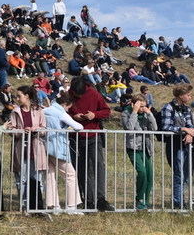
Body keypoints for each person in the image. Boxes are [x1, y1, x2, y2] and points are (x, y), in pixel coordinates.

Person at [68, 76, 115, 211]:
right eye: (77, 94)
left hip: (93, 135)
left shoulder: (94, 94)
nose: (79, 96)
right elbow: (61, 112)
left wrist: (94, 115)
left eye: (81, 94)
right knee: (81, 169)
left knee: (98, 166)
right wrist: (73, 117)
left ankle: (101, 199)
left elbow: (106, 111)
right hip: (75, 137)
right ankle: (87, 199)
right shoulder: (68, 95)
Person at [43, 92, 83, 215]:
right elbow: (78, 126)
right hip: (58, 147)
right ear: (65, 104)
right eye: (68, 107)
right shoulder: (61, 113)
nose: (68, 109)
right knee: (70, 175)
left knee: (50, 175)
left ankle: (53, 205)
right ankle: (72, 205)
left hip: (45, 146)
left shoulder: (45, 110)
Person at [9, 85, 47, 212]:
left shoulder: (39, 110)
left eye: (19, 96)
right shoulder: (15, 112)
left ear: (27, 96)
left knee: (37, 178)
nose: (17, 98)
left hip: (35, 149)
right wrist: (21, 131)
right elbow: (11, 129)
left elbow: (44, 128)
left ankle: (36, 205)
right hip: (21, 149)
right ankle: (24, 205)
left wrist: (36, 130)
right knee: (22, 179)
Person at [161, 84, 194, 209]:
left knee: (186, 174)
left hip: (186, 144)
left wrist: (189, 133)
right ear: (181, 95)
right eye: (188, 95)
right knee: (179, 173)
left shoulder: (186, 109)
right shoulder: (168, 107)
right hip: (175, 144)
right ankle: (177, 202)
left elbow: (190, 125)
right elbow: (166, 127)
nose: (190, 97)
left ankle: (182, 199)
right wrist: (183, 129)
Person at [121, 94, 157, 211]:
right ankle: (139, 199)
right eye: (140, 106)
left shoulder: (146, 114)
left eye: (144, 106)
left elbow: (155, 128)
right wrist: (135, 112)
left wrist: (149, 113)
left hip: (145, 148)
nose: (142, 108)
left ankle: (146, 201)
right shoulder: (126, 113)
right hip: (133, 148)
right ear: (133, 105)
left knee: (149, 175)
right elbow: (129, 127)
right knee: (141, 172)